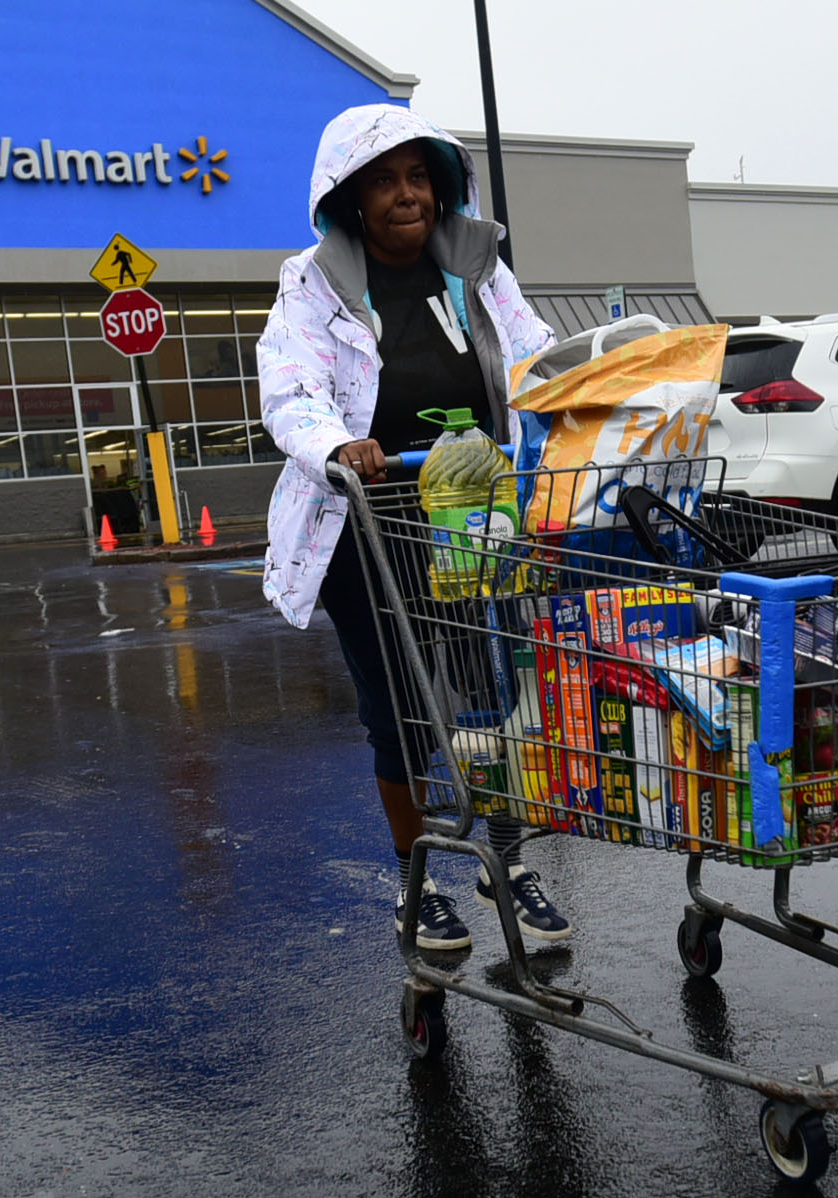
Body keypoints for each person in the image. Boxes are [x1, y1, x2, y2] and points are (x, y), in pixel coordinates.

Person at [258, 104, 568, 951]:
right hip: (370, 521)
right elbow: (290, 390)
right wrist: (336, 444)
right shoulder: (312, 283)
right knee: (400, 711)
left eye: (420, 177)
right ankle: (417, 878)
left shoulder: (476, 270)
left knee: (497, 692)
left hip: (475, 517)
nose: (408, 196)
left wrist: (584, 392)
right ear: (350, 199)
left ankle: (504, 855)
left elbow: (535, 356)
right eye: (386, 181)